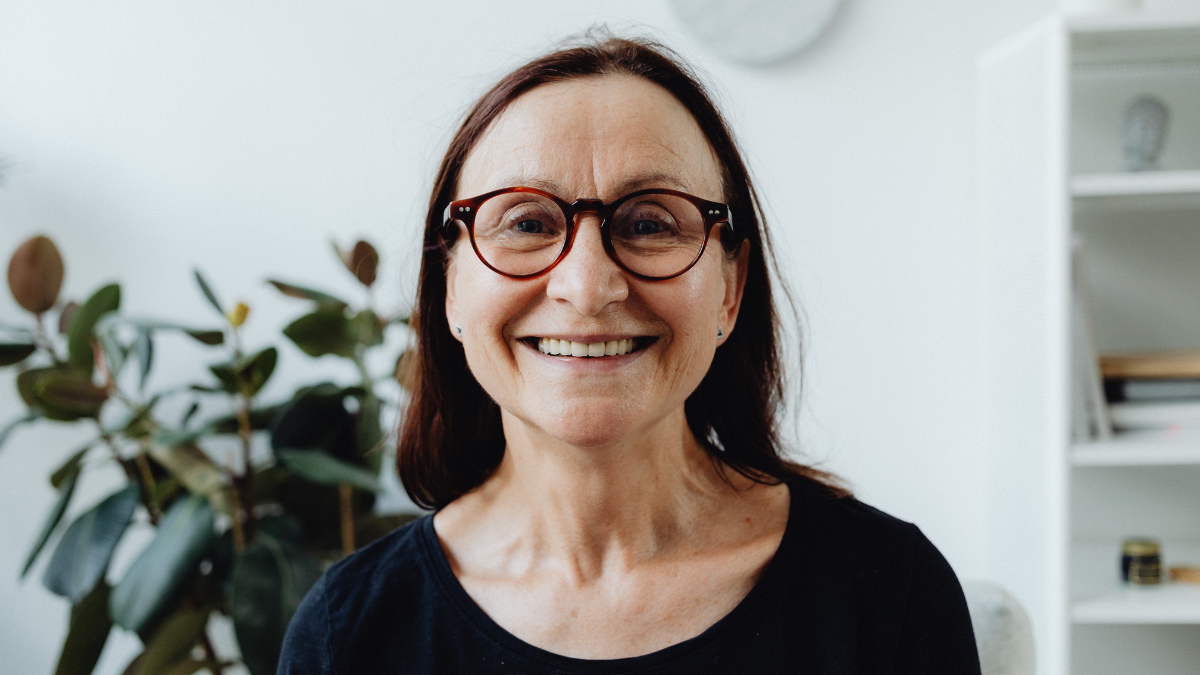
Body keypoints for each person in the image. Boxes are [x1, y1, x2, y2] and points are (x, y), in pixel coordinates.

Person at [278, 33, 981, 675]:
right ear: (451, 288)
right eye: (526, 222)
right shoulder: (348, 633)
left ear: (730, 288)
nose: (587, 286)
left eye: (649, 222)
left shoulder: (890, 596)